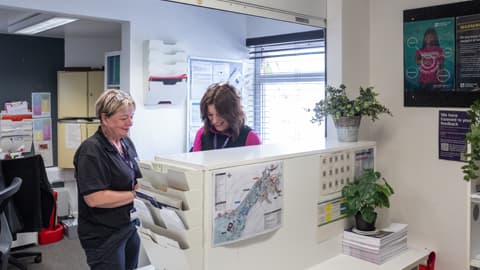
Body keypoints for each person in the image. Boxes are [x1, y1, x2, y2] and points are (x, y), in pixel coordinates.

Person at [74, 89, 142, 270]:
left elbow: (136, 178)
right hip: (104, 236)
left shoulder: (126, 143)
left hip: (129, 226)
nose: (130, 123)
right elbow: (95, 198)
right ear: (105, 118)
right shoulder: (91, 151)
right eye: (124, 118)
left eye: (131, 116)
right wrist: (136, 195)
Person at [191, 82, 261, 151]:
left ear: (232, 112)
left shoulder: (250, 137)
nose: (215, 121)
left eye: (219, 114)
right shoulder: (202, 134)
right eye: (210, 115)